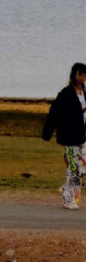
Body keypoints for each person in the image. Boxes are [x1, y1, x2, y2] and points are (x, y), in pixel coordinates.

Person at [42, 62, 86, 209]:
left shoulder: (84, 93)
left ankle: (68, 190)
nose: (83, 77)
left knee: (81, 169)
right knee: (73, 169)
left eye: (85, 75)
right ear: (74, 75)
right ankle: (69, 199)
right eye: (80, 74)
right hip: (70, 136)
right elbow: (54, 113)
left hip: (83, 136)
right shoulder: (66, 93)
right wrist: (47, 132)